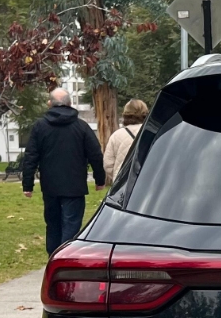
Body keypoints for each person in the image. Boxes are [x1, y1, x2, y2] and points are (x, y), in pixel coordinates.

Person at [21, 87, 106, 254]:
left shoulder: (40, 127)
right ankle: (67, 256)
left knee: (53, 224)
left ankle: (54, 256)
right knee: (71, 224)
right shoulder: (81, 127)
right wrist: (100, 179)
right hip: (75, 185)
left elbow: (31, 156)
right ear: (70, 103)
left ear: (49, 104)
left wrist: (28, 185)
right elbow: (95, 154)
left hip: (50, 185)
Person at [103, 98, 148, 184]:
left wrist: (116, 175)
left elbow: (108, 164)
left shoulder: (116, 135)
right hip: (146, 180)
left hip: (122, 182)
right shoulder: (151, 134)